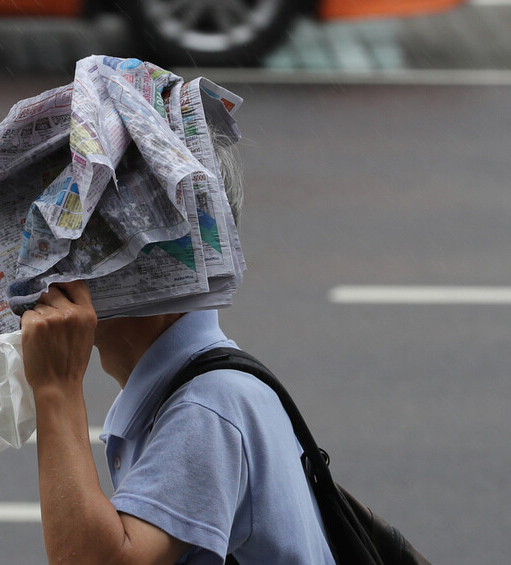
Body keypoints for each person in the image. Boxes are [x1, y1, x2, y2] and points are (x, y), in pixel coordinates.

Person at [20, 128, 336, 565]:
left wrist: (57, 389)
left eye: (77, 240)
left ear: (156, 262)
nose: (52, 266)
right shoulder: (189, 392)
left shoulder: (209, 407)